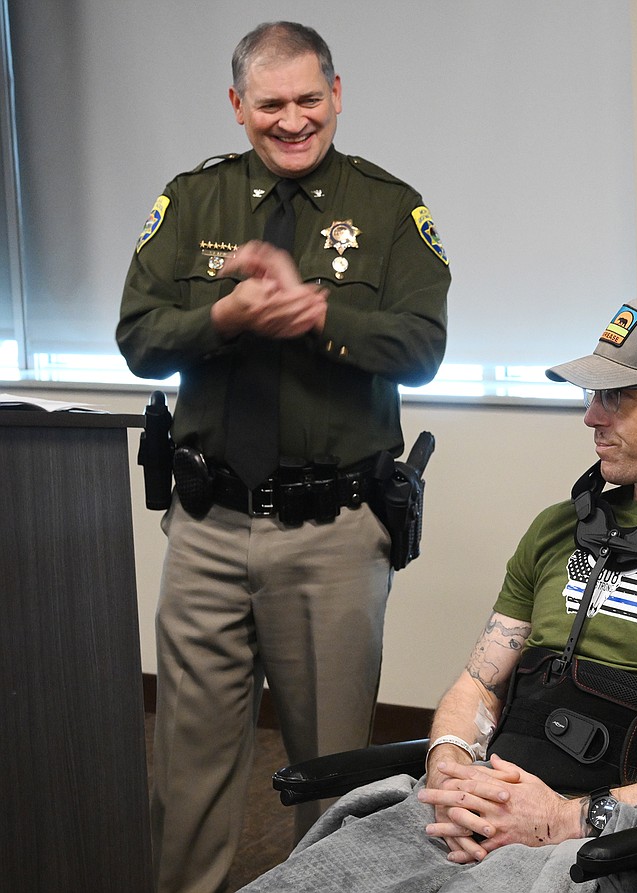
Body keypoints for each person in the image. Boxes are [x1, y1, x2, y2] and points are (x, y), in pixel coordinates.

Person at [240, 294, 637, 893]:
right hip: (480, 806)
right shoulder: (558, 528)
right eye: (591, 396)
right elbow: (478, 684)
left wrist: (568, 817)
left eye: (616, 397)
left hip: (608, 838)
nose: (593, 417)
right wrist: (450, 773)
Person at [116, 21, 449, 893]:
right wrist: (222, 319)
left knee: (336, 776)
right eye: (271, 104)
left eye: (309, 99)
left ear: (337, 94)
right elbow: (140, 337)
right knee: (188, 778)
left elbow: (422, 346)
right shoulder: (193, 204)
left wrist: (315, 314)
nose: (292, 120)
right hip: (207, 528)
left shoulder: (387, 208)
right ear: (238, 107)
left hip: (332, 535)